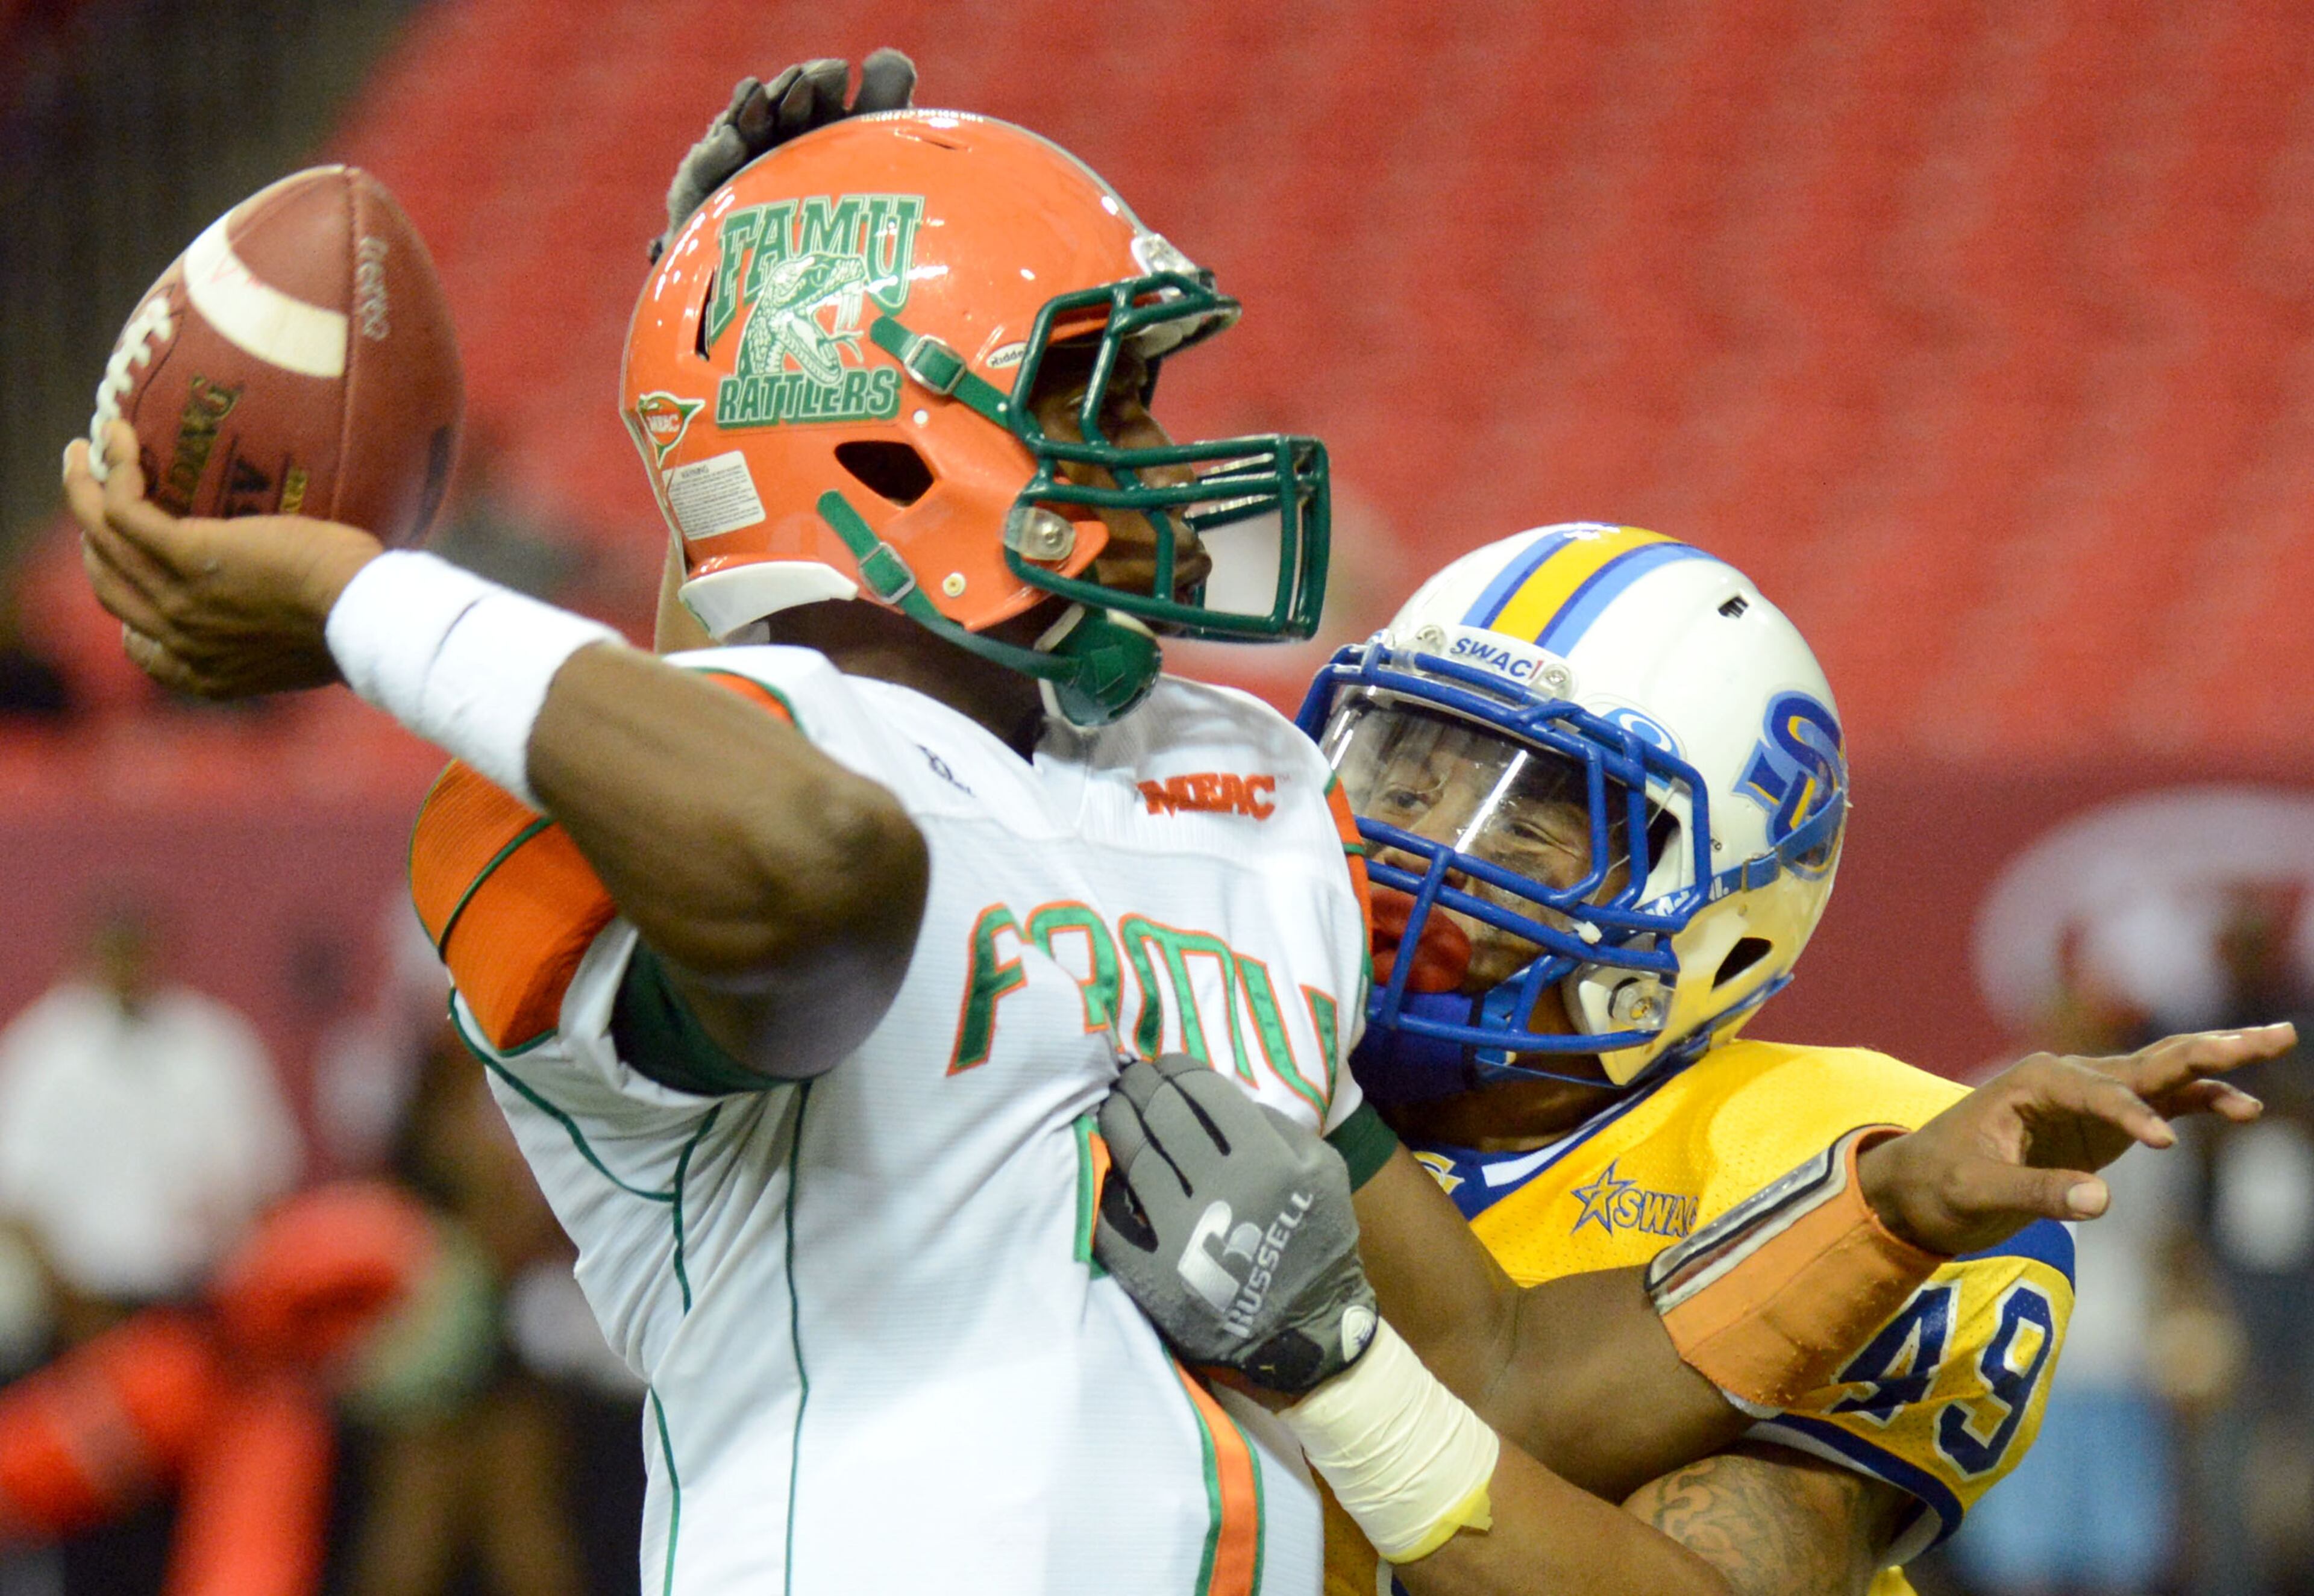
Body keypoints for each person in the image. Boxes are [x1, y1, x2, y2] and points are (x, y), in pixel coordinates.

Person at [63, 75, 2284, 1596]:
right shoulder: (609, 795)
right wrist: (367, 592)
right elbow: (816, 848)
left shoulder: (1216, 791)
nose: (1158, 451)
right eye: (1099, 391)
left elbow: (1507, 1369)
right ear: (889, 443)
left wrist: (1894, 1196)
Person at [1093, 522, 2283, 1596]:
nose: (1414, 851)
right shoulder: (1221, 1034)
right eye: (1398, 772)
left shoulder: (1847, 1152)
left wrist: (1345, 1384)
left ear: (1725, 910)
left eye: (1526, 818)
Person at [0, 897, 299, 1345]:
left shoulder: (215, 1045)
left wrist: (222, 1286)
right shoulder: (41, 1051)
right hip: (72, 1307)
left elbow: (265, 1175)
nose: (126, 965)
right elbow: (17, 1200)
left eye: (136, 949)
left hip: (203, 1298)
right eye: (113, 951)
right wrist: (70, 1303)